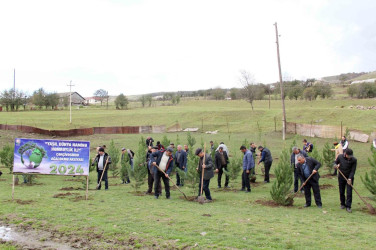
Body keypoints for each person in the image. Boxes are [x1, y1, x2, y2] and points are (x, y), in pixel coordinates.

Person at [334, 148, 357, 213]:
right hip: (341, 176)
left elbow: (353, 170)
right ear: (345, 154)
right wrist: (335, 165)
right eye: (349, 156)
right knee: (341, 191)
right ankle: (342, 204)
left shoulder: (354, 160)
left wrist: (350, 178)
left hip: (349, 178)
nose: (350, 157)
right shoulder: (340, 157)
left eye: (351, 156)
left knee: (349, 192)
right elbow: (335, 162)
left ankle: (348, 206)